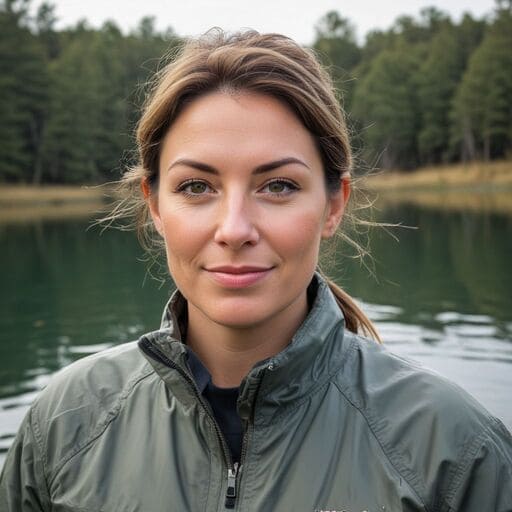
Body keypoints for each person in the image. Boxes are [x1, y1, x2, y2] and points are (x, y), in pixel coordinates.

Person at [1, 29, 511, 512]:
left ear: (334, 205)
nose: (234, 229)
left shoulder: (453, 450)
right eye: (196, 187)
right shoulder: (63, 427)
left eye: (279, 186)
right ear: (154, 205)